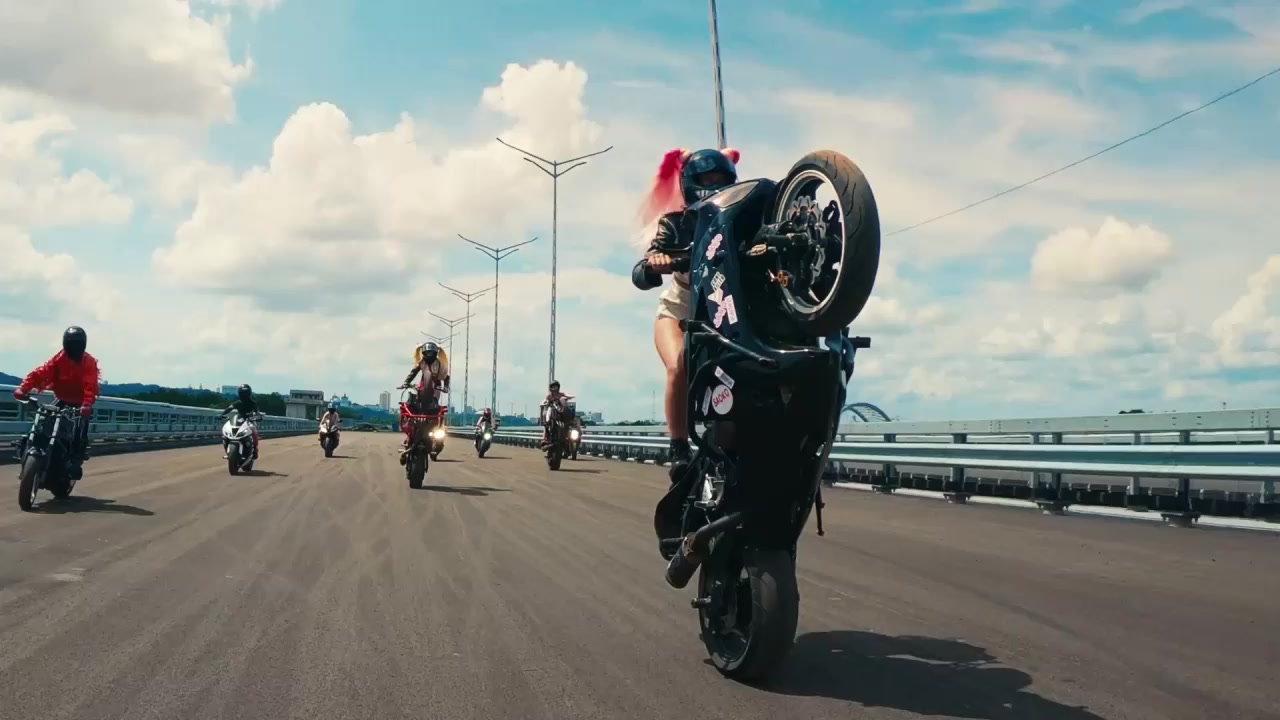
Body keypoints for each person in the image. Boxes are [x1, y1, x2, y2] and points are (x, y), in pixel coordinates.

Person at [630, 147, 741, 467]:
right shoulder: (675, 223)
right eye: (707, 179)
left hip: (727, 309)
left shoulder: (742, 219)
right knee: (679, 365)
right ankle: (678, 446)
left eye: (720, 178)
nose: (714, 184)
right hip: (680, 309)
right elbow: (641, 272)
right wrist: (655, 264)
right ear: (690, 183)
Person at [12, 326, 100, 479]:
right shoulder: (59, 358)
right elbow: (41, 372)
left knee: (79, 431)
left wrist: (86, 403)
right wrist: (24, 388)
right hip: (62, 399)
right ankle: (29, 454)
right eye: (71, 344)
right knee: (43, 423)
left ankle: (76, 459)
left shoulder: (88, 362)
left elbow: (90, 384)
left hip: (81, 402)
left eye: (77, 344)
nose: (74, 347)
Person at [398, 341, 450, 451]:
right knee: (412, 405)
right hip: (421, 387)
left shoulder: (439, 364)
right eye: (427, 353)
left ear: (435, 353)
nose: (429, 355)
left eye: (431, 353)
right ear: (423, 353)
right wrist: (406, 382)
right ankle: (411, 433)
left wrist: (445, 387)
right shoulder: (421, 362)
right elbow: (413, 372)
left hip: (436, 388)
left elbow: (446, 376)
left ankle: (434, 432)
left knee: (434, 408)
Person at [219, 384, 260, 460]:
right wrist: (222, 414)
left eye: (245, 393)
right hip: (239, 420)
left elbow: (257, 411)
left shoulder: (252, 403)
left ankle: (255, 449)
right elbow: (229, 408)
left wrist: (258, 416)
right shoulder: (237, 403)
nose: (244, 395)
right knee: (227, 430)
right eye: (242, 393)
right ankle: (228, 447)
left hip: (250, 420)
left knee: (254, 431)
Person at [539, 380, 574, 446]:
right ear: (551, 388)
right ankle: (544, 438)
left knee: (569, 419)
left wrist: (570, 396)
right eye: (553, 387)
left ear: (558, 387)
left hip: (560, 411)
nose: (555, 388)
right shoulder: (549, 396)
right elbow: (545, 401)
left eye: (556, 386)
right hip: (552, 410)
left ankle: (568, 437)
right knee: (547, 424)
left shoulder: (561, 394)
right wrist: (544, 402)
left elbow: (566, 395)